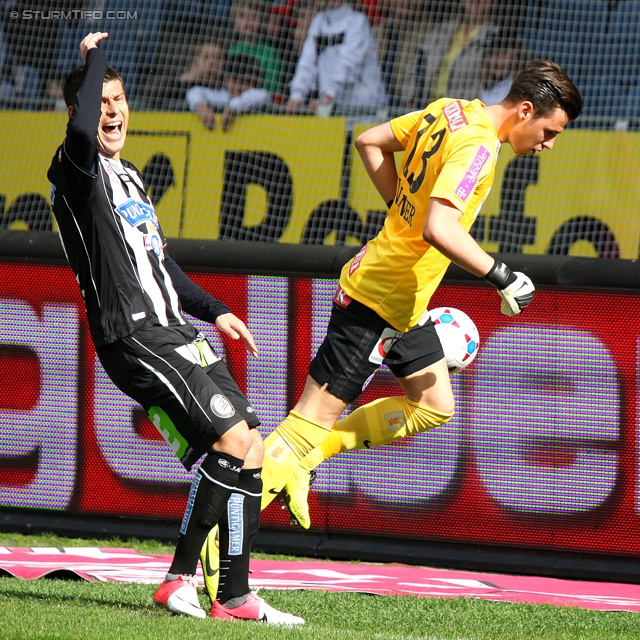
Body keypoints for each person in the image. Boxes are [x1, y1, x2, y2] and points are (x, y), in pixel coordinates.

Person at [257, 58, 583, 529]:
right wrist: (502, 275)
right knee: (304, 425)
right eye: (550, 132)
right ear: (526, 111)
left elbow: (370, 143)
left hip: (405, 301)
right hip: (381, 299)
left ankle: (313, 454)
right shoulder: (479, 147)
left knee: (434, 406)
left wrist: (400, 211)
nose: (548, 145)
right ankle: (212, 550)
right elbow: (439, 228)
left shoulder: (451, 110)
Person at [47, 31, 303, 626]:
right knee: (232, 442)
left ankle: (235, 597)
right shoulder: (73, 170)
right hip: (133, 336)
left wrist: (216, 311)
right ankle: (178, 581)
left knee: (253, 447)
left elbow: (161, 265)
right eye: (101, 101)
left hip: (177, 330)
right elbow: (84, 133)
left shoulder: (132, 178)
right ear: (80, 110)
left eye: (120, 99)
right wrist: (95, 61)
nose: (113, 112)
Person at [285, 0, 387, 116]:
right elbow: (307, 61)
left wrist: (329, 96)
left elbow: (348, 64)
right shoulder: (319, 21)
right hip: (332, 109)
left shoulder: (358, 21)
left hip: (365, 110)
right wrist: (296, 95)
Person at [403, 0, 498, 110]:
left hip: (459, 116)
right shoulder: (443, 29)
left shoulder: (493, 37)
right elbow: (415, 63)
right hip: (424, 109)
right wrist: (410, 97)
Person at [186, 52, 273, 131]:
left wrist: (232, 108)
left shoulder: (258, 95)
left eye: (246, 80)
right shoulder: (221, 95)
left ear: (256, 82)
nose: (240, 84)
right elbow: (194, 92)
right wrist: (201, 107)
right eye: (235, 79)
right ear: (227, 79)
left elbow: (263, 95)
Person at [228, 0, 283, 95]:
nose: (248, 20)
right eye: (242, 16)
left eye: (254, 16)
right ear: (234, 23)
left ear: (262, 21)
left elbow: (272, 86)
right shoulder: (232, 50)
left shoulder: (270, 52)